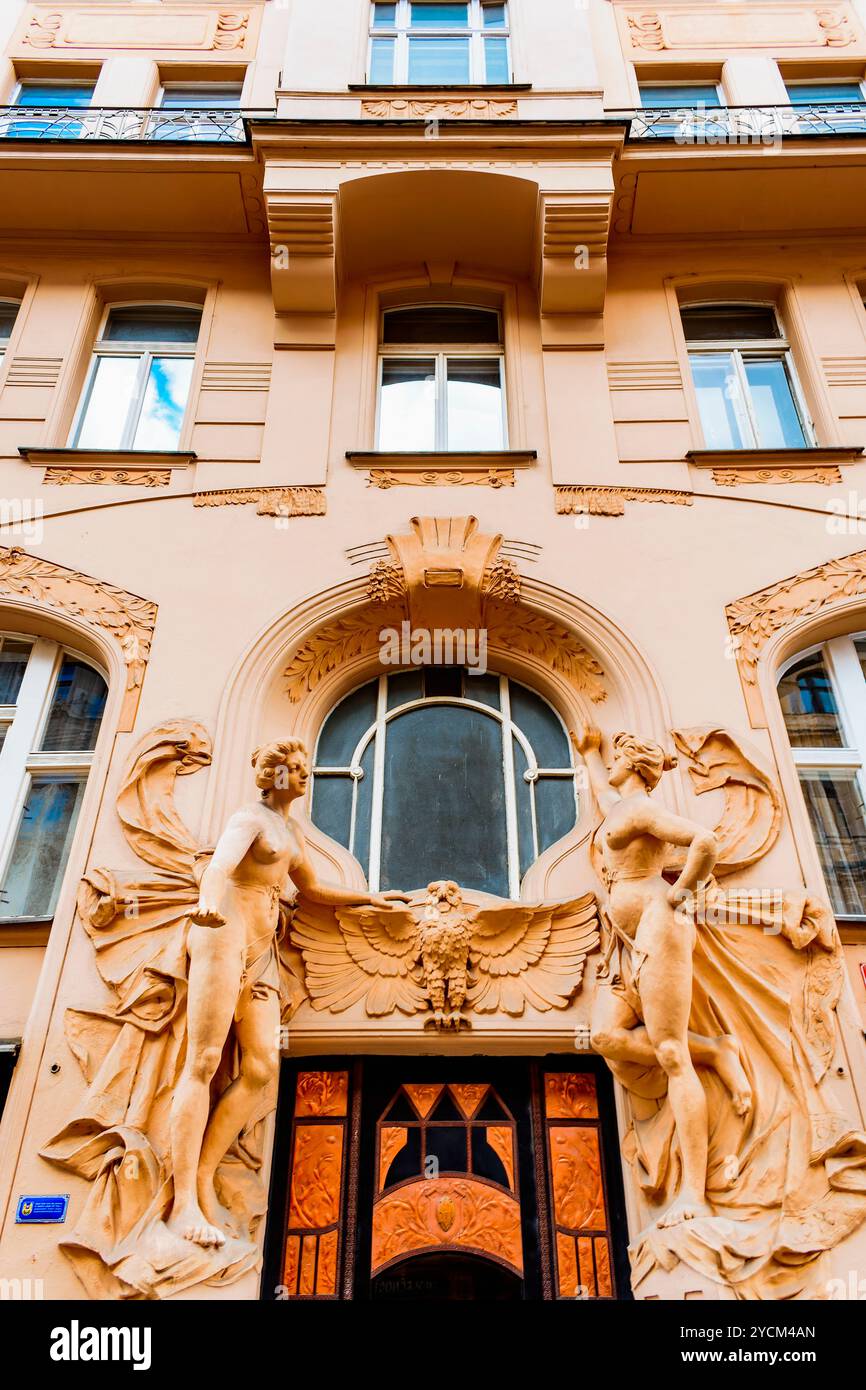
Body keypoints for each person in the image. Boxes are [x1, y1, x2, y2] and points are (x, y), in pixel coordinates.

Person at [166, 738, 408, 1248]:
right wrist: (207, 904)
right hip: (223, 932)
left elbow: (312, 890)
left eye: (305, 768)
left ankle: (205, 1177)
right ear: (273, 774)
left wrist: (370, 898)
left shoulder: (291, 830)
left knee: (261, 1068)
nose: (304, 776)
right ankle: (182, 1202)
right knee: (204, 1059)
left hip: (260, 948)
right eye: (295, 769)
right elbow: (218, 867)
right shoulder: (249, 819)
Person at [572, 724, 752, 1229]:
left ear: (632, 764)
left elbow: (705, 840)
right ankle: (716, 1049)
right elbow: (606, 794)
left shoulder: (645, 810)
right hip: (627, 944)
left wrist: (680, 894)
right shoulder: (623, 807)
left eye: (615, 757)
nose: (610, 764)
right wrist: (588, 751)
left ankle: (694, 1193)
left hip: (659, 929)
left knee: (671, 1053)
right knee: (604, 1036)